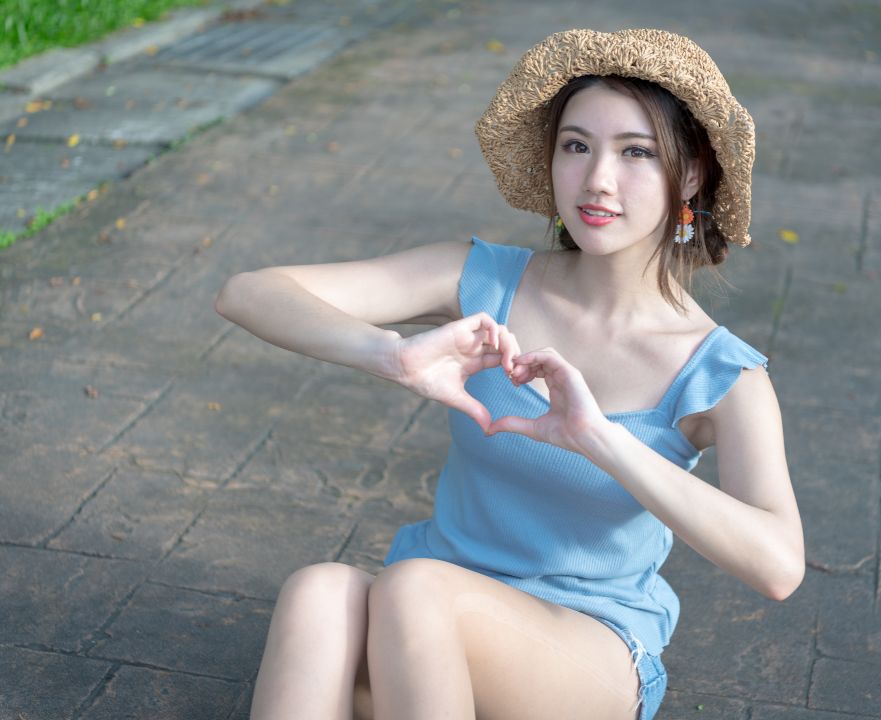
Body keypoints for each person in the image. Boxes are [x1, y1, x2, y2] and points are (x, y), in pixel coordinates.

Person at [215, 28, 803, 720]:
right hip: (423, 624)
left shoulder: (720, 372)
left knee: (415, 588)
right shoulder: (485, 280)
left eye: (636, 152)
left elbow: (778, 565)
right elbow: (249, 293)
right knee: (318, 593)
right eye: (576, 146)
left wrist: (600, 439)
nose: (598, 179)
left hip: (583, 652)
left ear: (693, 174)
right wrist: (391, 354)